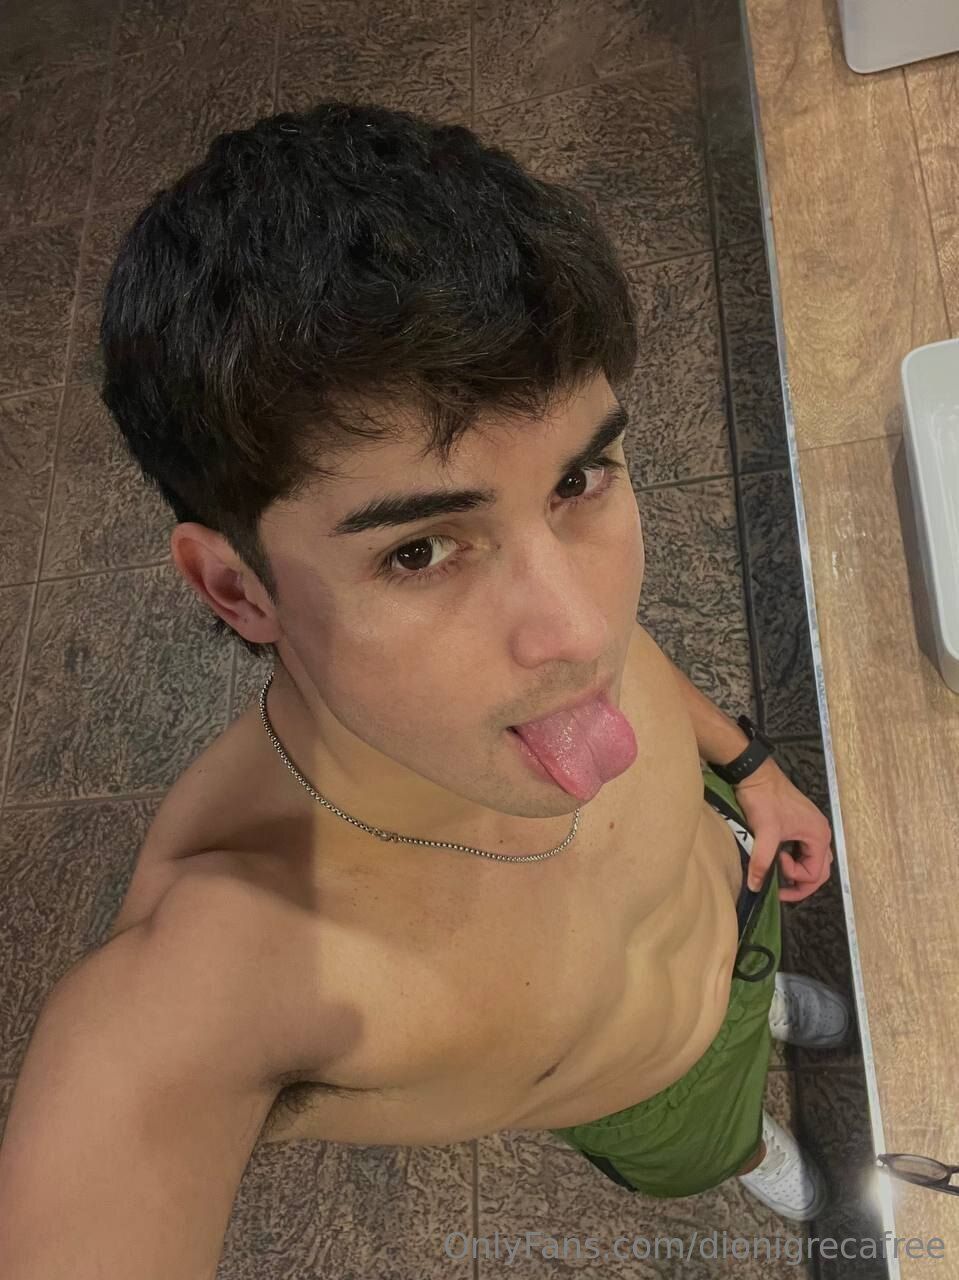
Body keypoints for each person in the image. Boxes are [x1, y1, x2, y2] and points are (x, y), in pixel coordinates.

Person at [0, 102, 850, 1278]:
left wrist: (746, 767)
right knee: (713, 1137)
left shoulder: (545, 630)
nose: (578, 629)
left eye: (577, 481)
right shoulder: (222, 962)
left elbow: (623, 652)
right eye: (419, 549)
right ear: (238, 590)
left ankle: (773, 1007)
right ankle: (743, 1142)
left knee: (766, 998)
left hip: (734, 898)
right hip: (652, 1101)